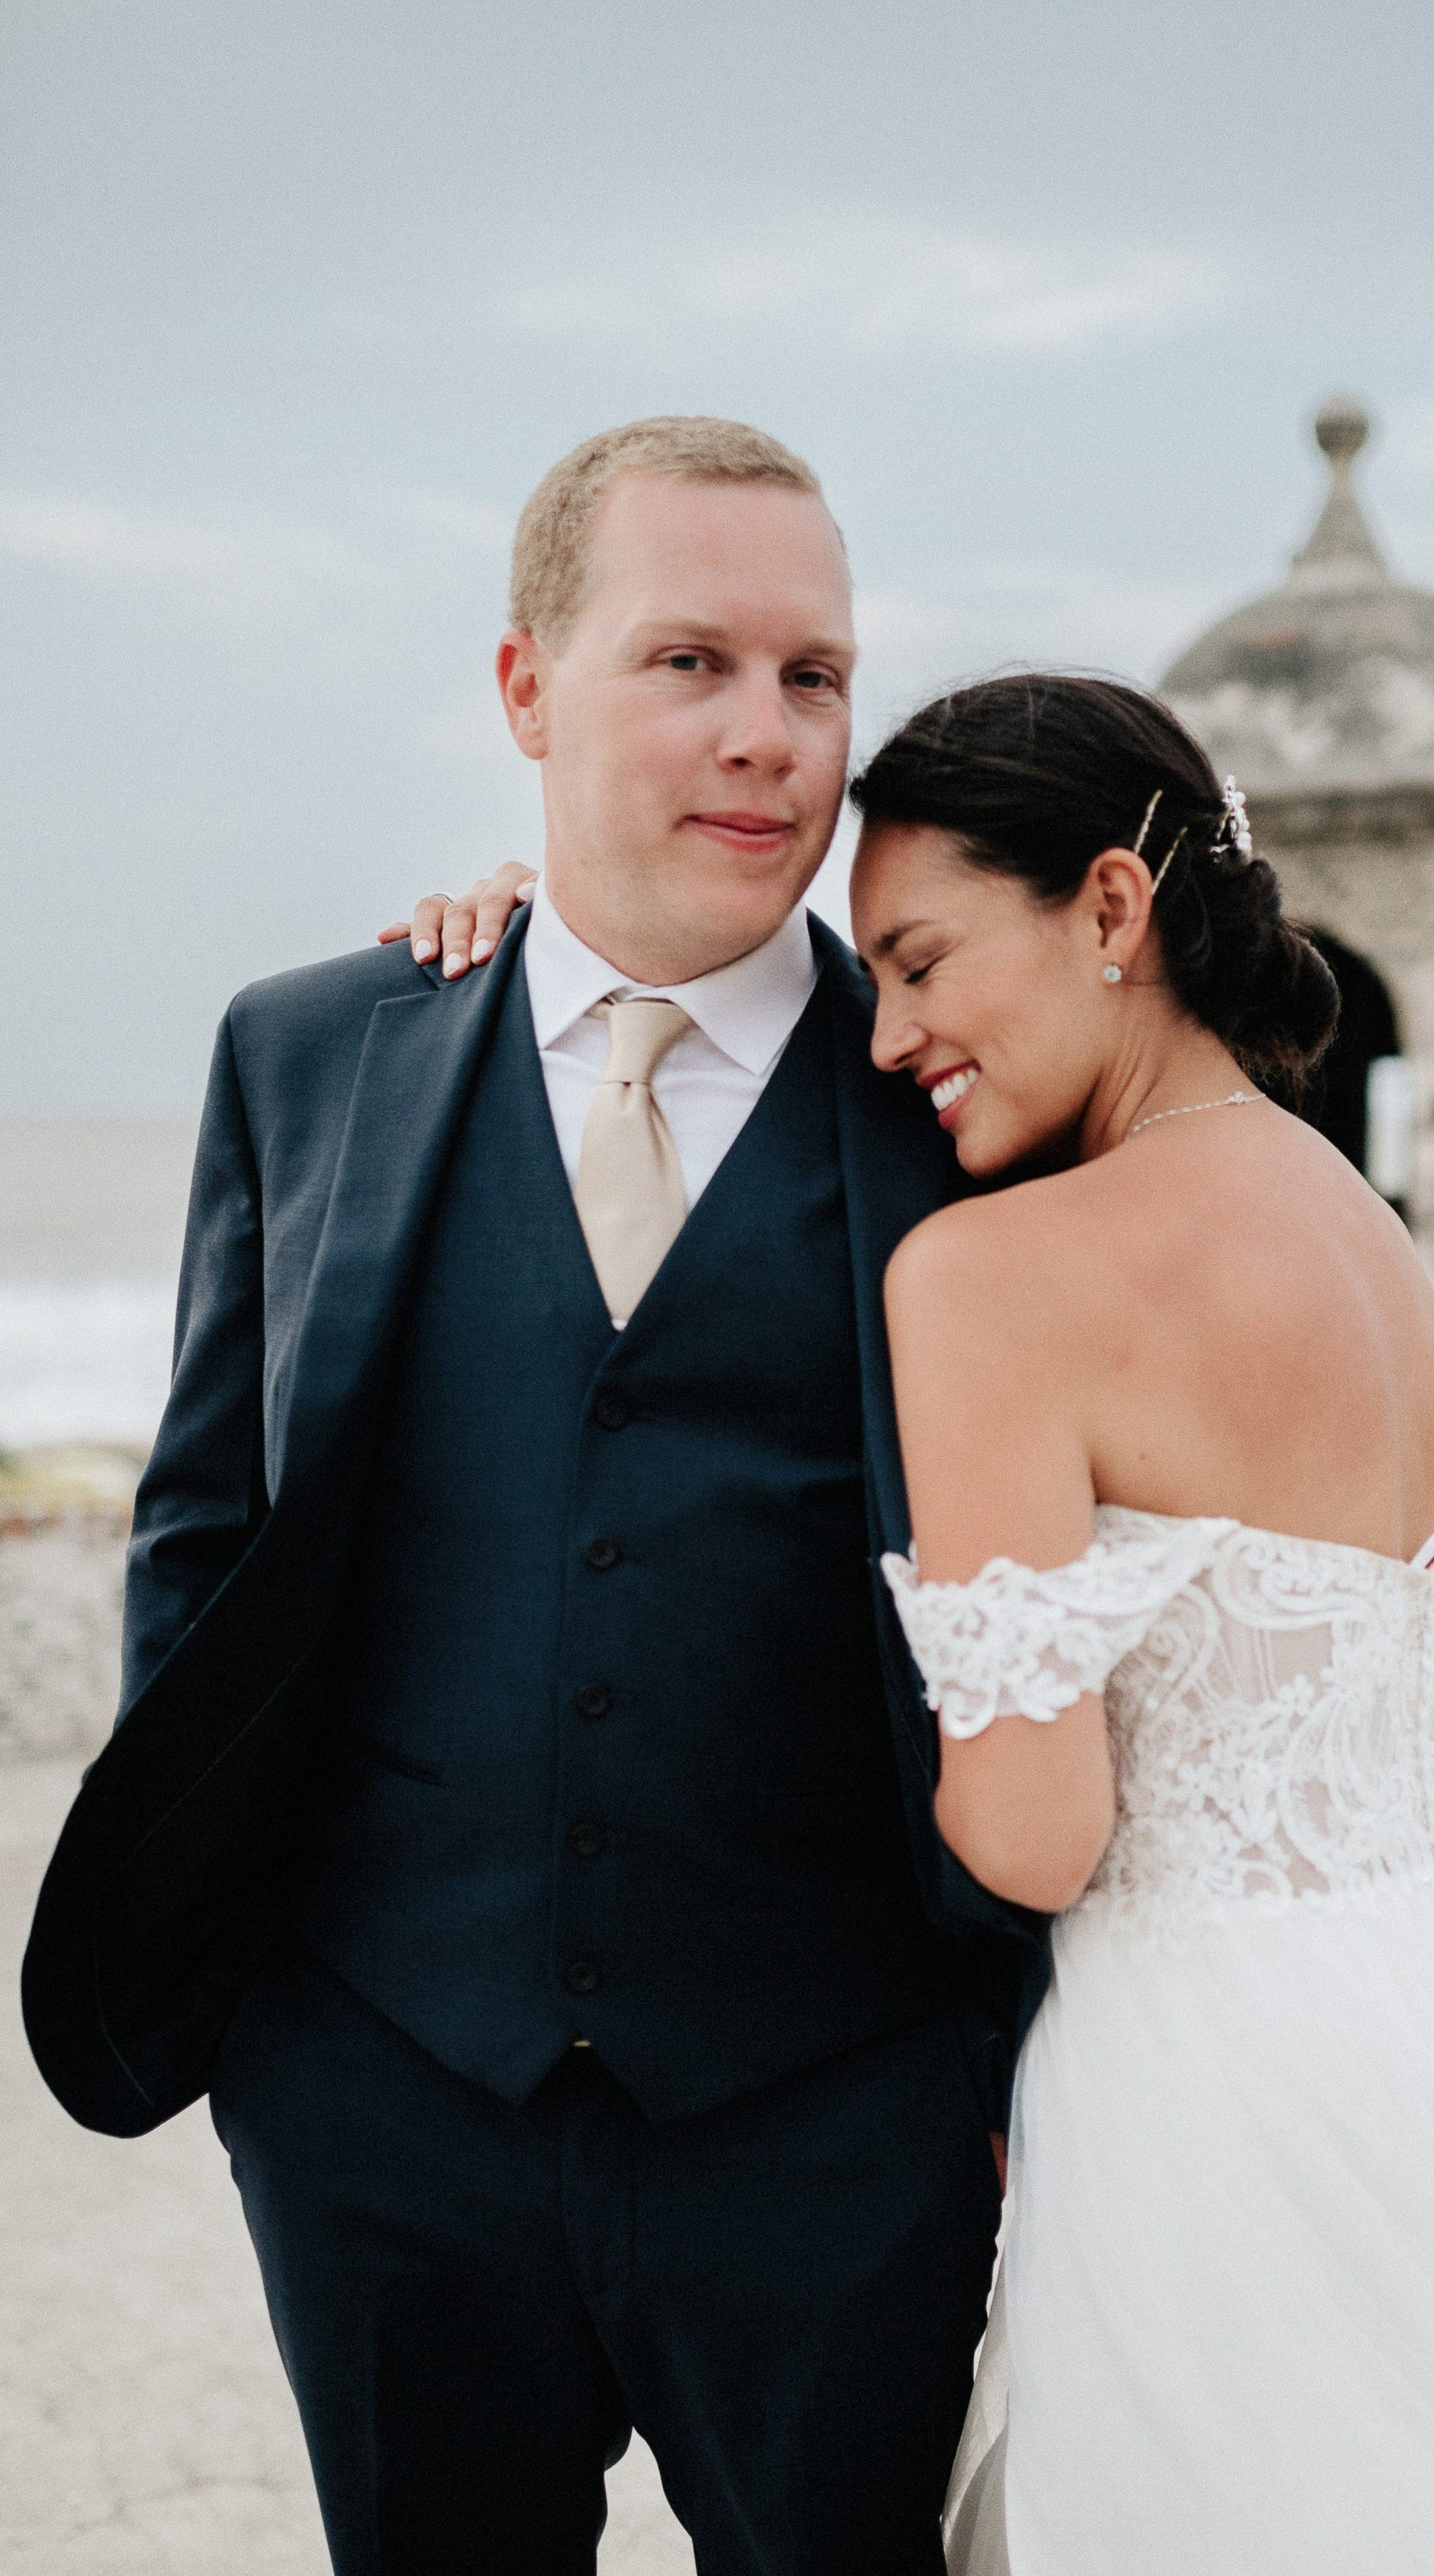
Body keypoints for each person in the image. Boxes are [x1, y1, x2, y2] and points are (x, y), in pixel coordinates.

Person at [23, 418, 1037, 2576]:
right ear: (523, 692)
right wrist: (269, 2039)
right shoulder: (311, 1053)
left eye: (813, 677)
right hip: (379, 2104)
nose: (767, 740)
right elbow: (209, 1539)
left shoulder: (959, 1114)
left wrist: (987, 2080)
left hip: (838, 2125)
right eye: (690, 662)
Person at [843, 674, 1434, 2572]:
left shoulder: (991, 1276)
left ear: (1105, 907)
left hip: (1204, 2082)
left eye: (917, 963)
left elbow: (1036, 1828)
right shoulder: (1367, 1232)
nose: (890, 1034)